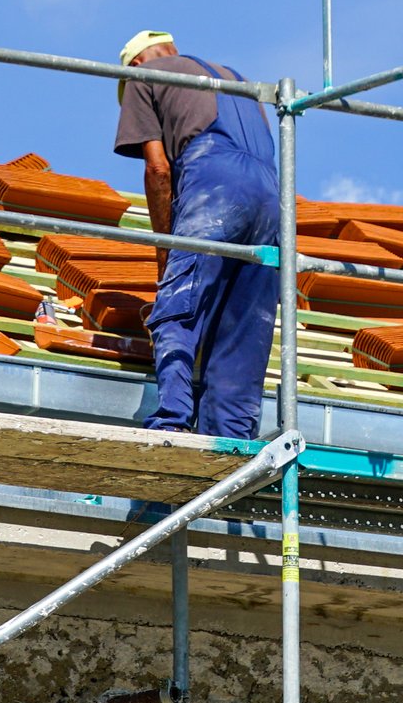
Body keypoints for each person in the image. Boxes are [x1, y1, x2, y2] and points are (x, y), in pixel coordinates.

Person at [111, 30, 281, 438]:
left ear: (133, 64)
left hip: (215, 181)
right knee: (242, 326)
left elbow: (158, 169)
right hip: (273, 197)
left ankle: (172, 421)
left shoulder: (144, 76)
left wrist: (165, 251)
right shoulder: (237, 79)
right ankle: (229, 441)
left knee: (176, 307)